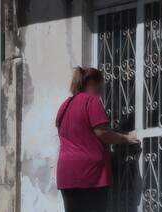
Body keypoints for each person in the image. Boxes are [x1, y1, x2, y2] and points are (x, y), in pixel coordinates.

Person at [56, 67, 139, 212]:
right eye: (101, 85)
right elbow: (103, 133)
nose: (101, 91)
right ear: (93, 83)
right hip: (90, 174)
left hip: (66, 174)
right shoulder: (91, 101)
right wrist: (126, 138)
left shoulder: (65, 105)